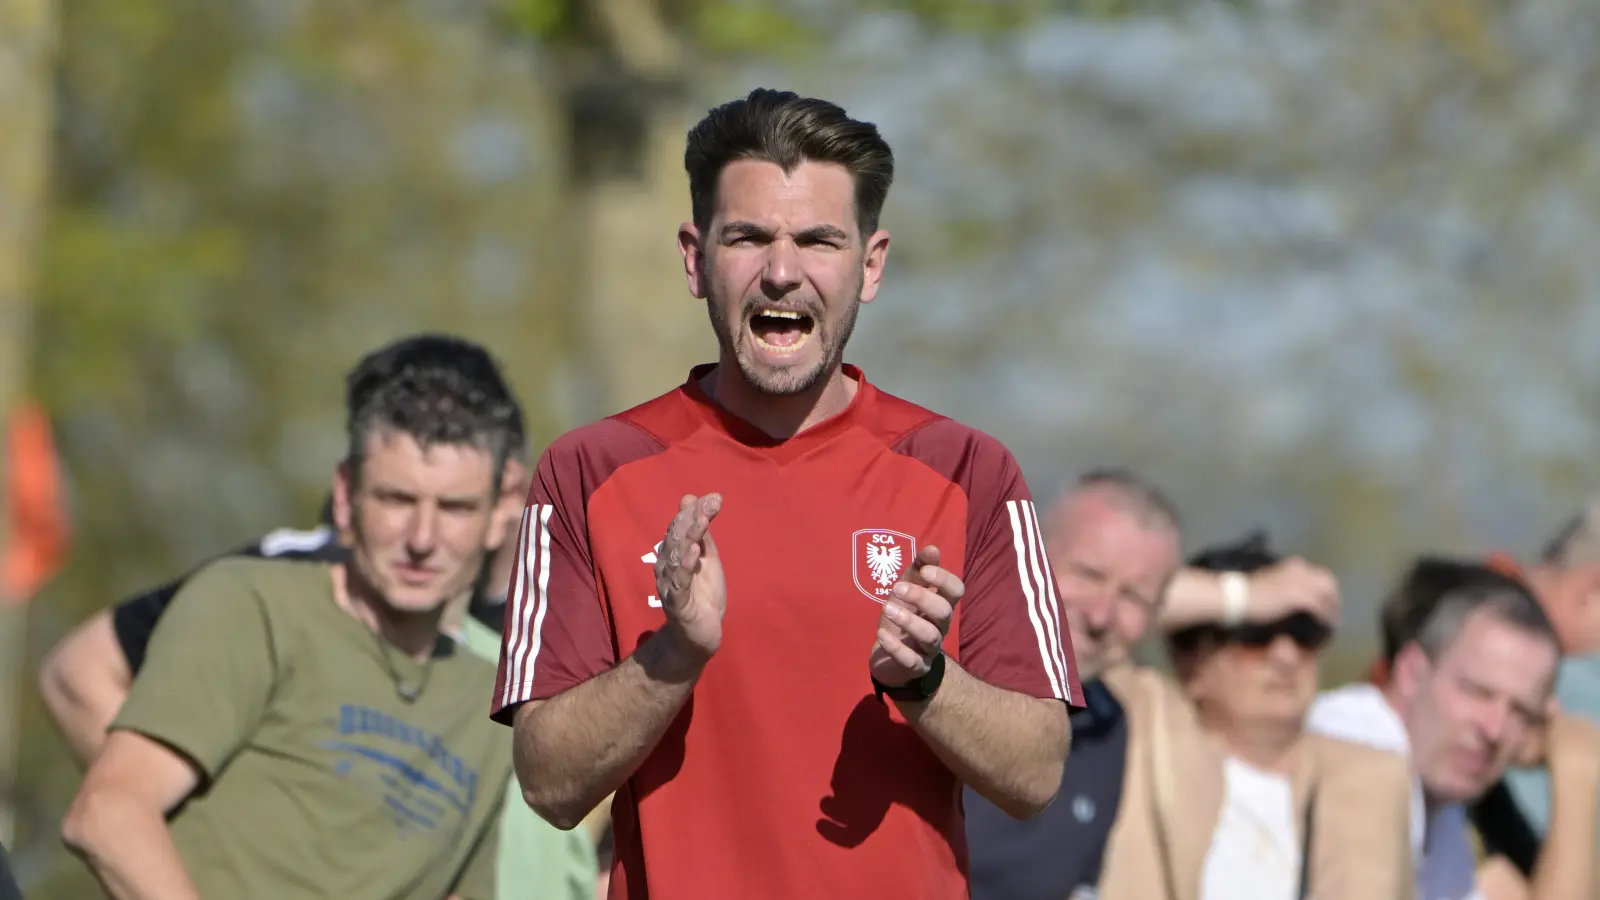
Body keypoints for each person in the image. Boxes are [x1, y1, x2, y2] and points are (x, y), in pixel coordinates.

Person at [492, 87, 1081, 900]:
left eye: (817, 240)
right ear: (695, 259)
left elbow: (1038, 773)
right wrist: (674, 653)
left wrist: (926, 683)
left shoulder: (968, 471)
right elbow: (548, 786)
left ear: (869, 265)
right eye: (748, 237)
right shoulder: (589, 471)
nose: (781, 271)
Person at [40, 334, 603, 900]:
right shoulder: (253, 602)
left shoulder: (495, 699)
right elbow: (108, 816)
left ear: (502, 510)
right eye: (396, 500)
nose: (422, 539)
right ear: (345, 493)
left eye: (455, 508)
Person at [1307, 558, 1597, 900]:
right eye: (1477, 692)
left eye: (1521, 712)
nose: (1494, 729)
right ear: (1412, 671)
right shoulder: (1355, 748)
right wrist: (1579, 777)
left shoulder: (1444, 815)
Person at [1158, 533, 1411, 900]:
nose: (1286, 657)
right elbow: (1072, 612)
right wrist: (1241, 597)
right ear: (1188, 661)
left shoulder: (1372, 777)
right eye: (1255, 632)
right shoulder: (1140, 747)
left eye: (1303, 632)